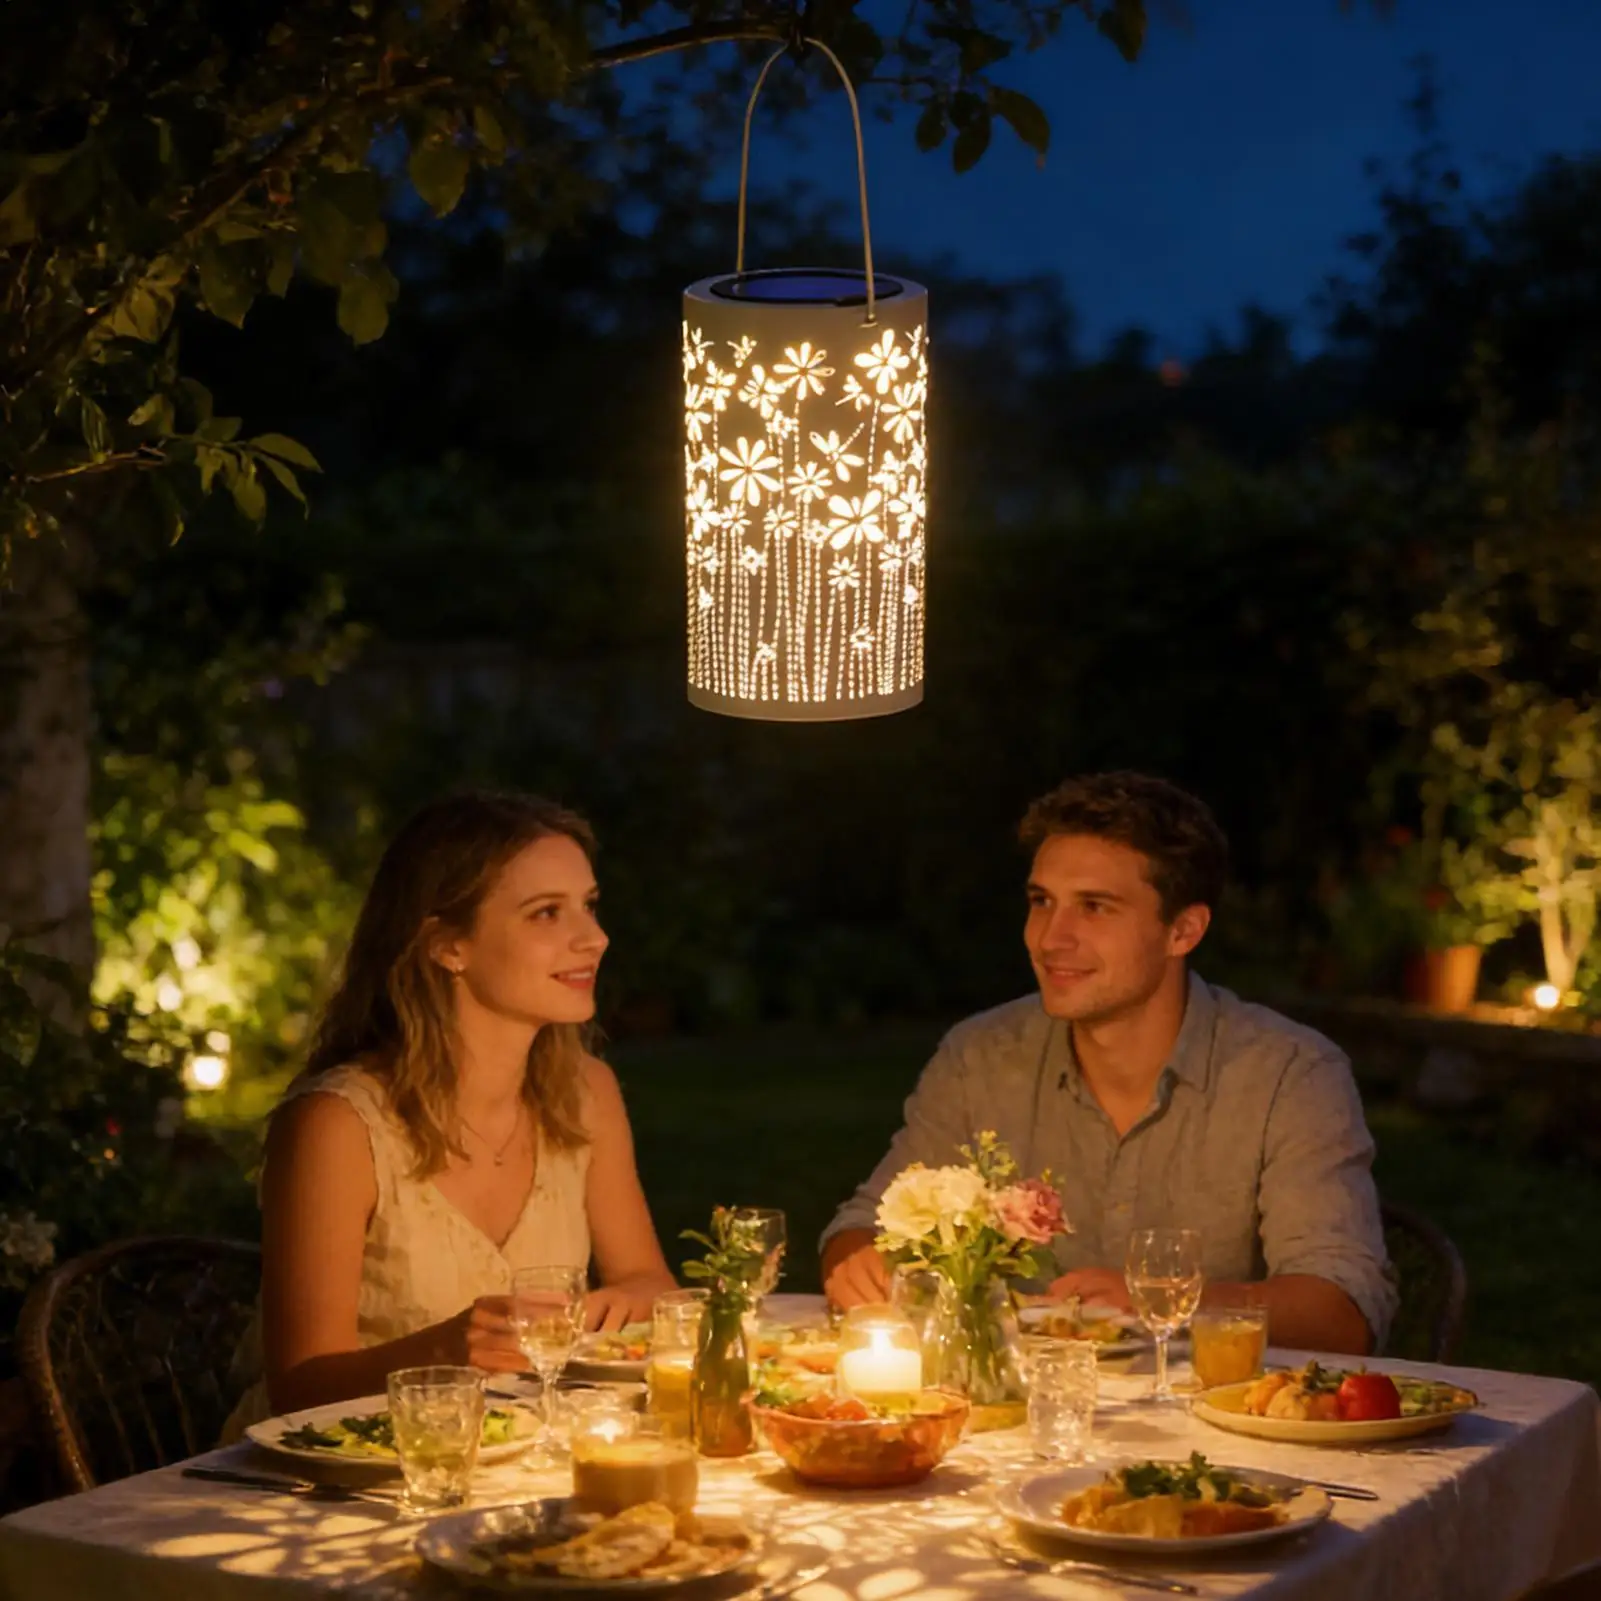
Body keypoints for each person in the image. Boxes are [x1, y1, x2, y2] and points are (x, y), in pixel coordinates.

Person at [821, 771, 1395, 1355]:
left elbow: (1342, 1310)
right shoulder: (982, 1056)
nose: (1050, 939)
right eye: (1041, 901)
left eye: (1094, 907)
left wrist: (1164, 1300)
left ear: (1183, 930)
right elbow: (861, 1225)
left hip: (1216, 1422)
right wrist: (858, 1261)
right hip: (1014, 1420)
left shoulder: (1288, 1074)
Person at [224, 791, 677, 1432]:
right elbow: (299, 1387)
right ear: (447, 946)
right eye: (547, 913)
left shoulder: (585, 1092)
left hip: (513, 1452)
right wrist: (443, 1351)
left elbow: (651, 1285)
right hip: (332, 1477)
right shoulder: (339, 1125)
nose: (594, 938)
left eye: (589, 905)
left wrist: (618, 1306)